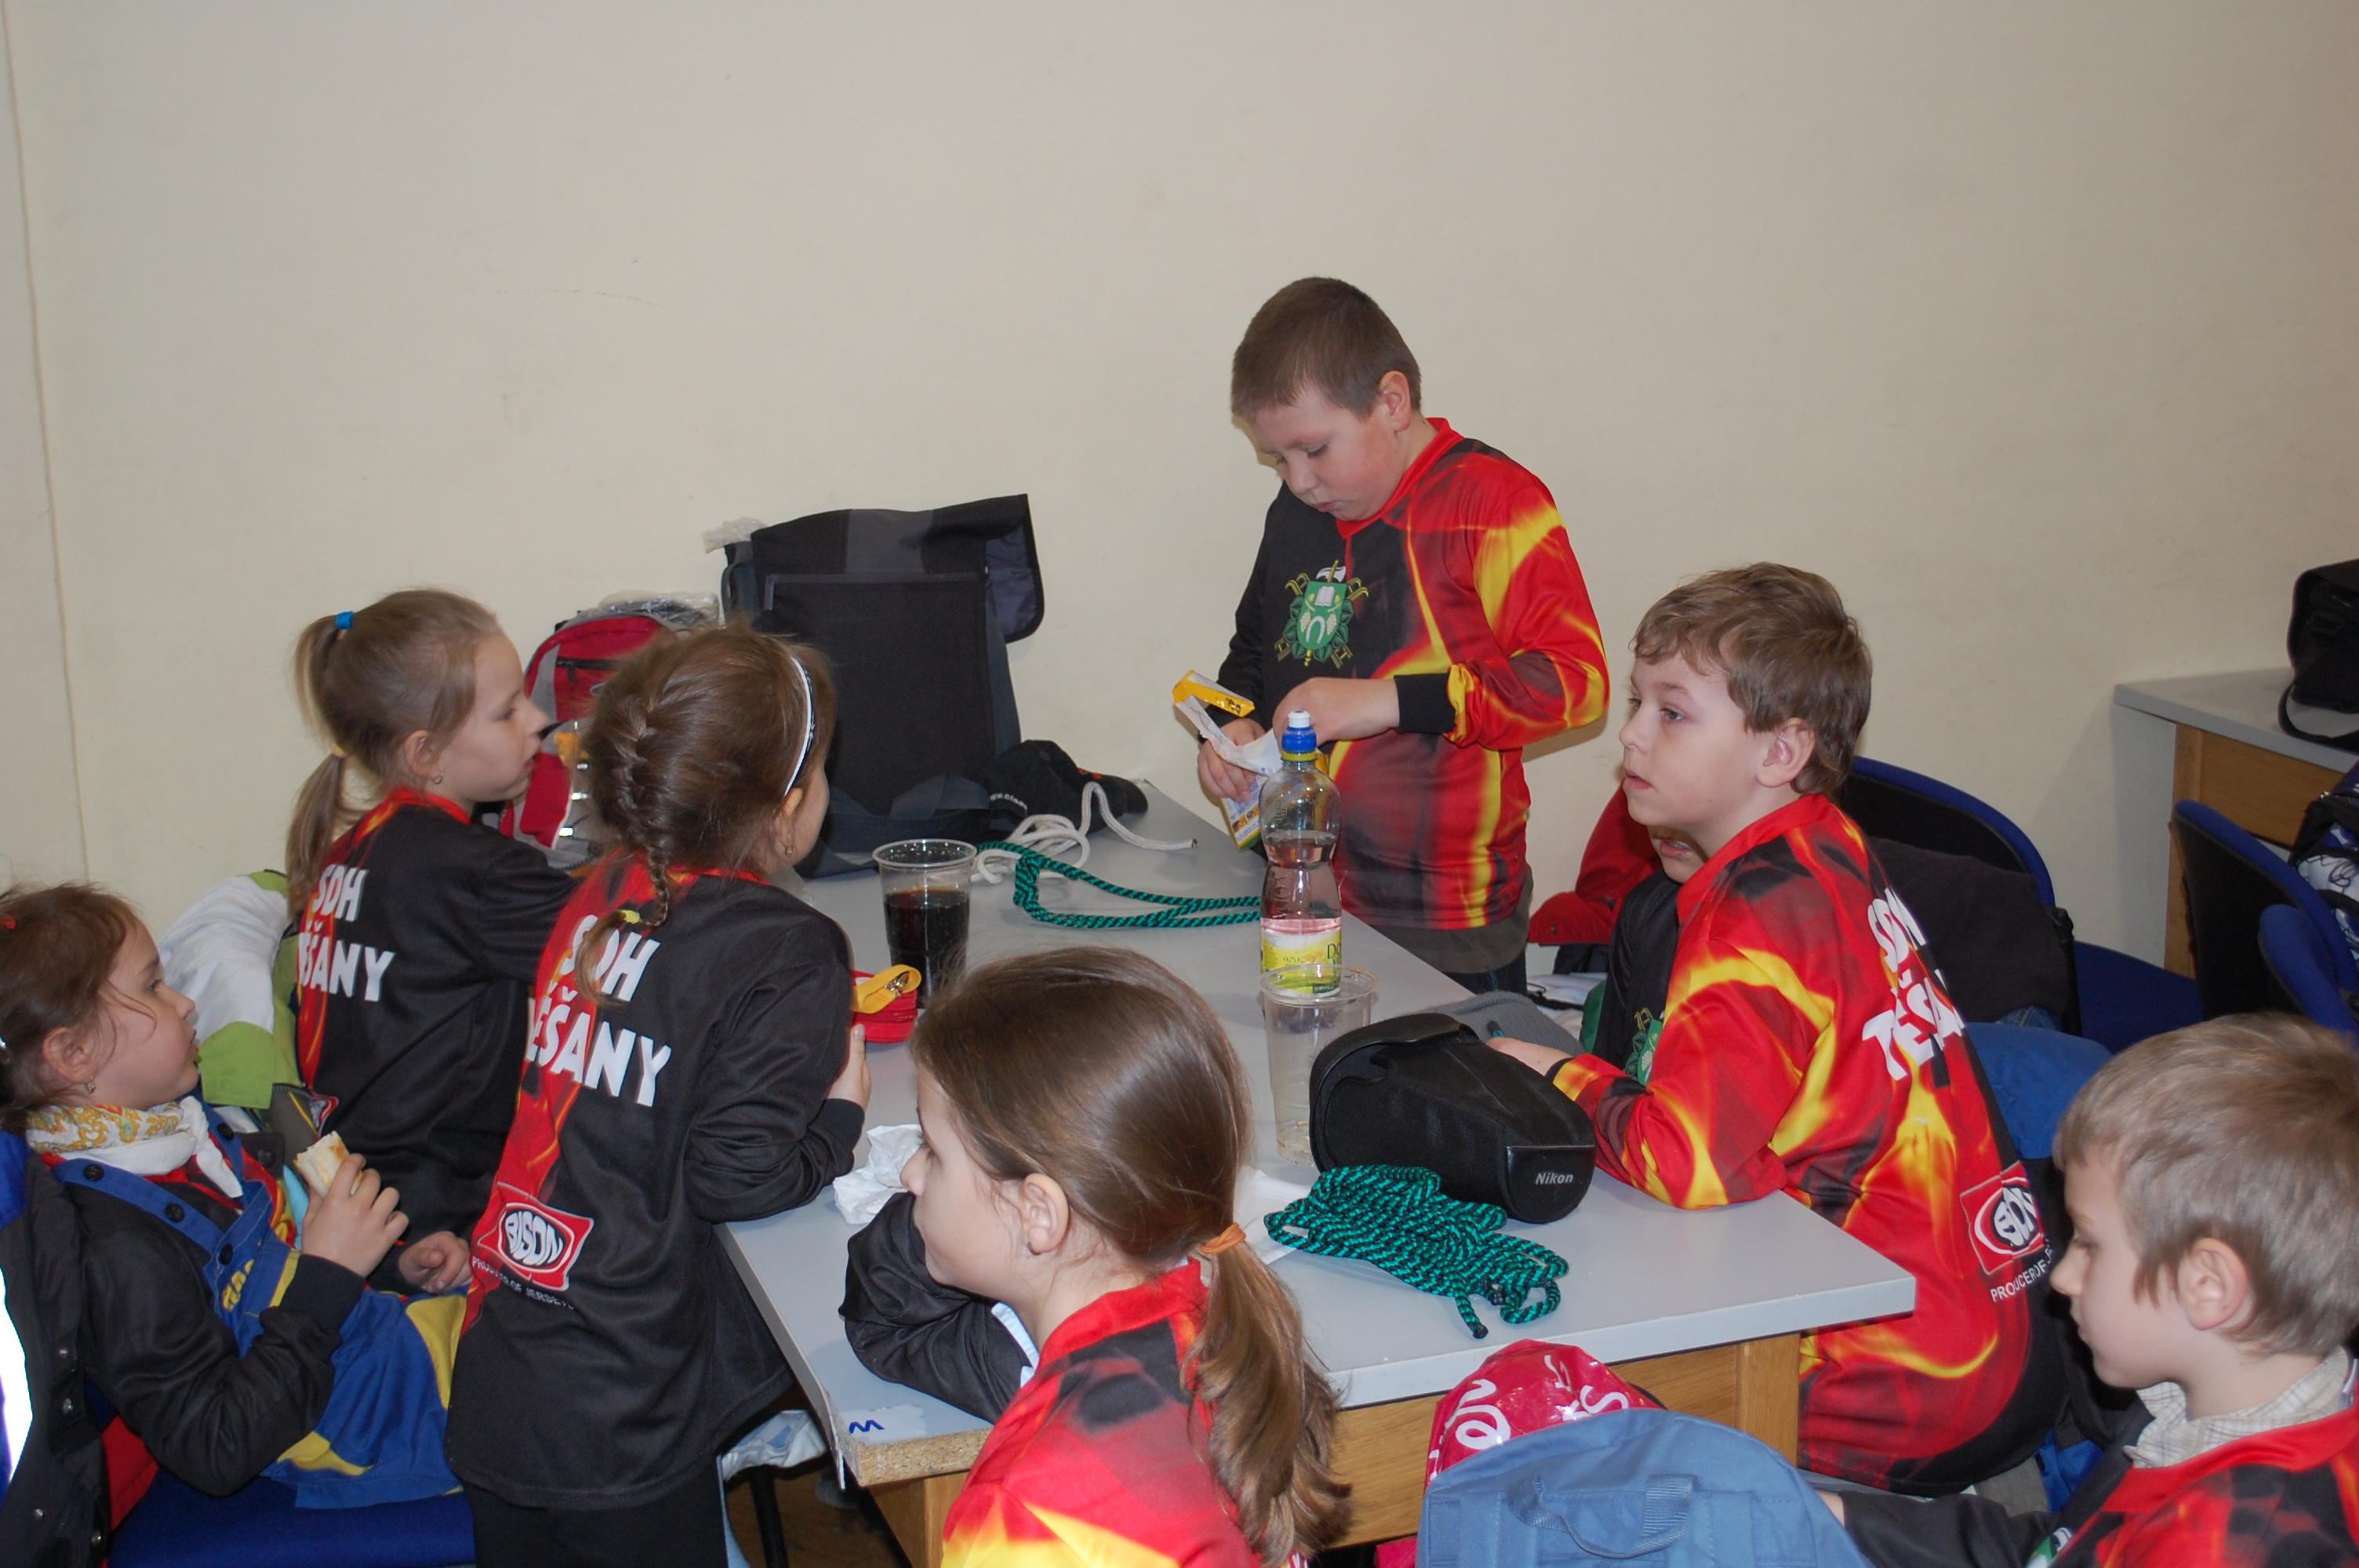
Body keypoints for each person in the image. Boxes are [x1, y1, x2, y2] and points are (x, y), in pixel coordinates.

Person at [1489, 564, 2060, 1493]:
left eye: (1672, 711)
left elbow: (1689, 1162)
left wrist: (1554, 1073)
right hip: (1991, 1322)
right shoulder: (1821, 840)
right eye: (1637, 702)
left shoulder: (1757, 916)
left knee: (1549, 1421)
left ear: (1780, 749)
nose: (1629, 732)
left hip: (1905, 1377)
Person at [446, 625, 871, 1568]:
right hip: (624, 1405)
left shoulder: (595, 890)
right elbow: (735, 1175)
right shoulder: (788, 946)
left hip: (505, 1363)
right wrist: (840, 1115)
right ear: (788, 805)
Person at [1197, 278, 1608, 995]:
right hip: (1300, 882)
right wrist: (1234, 730)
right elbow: (1255, 654)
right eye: (1278, 460)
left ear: (1392, 402)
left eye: (1314, 449)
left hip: (1445, 916)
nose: (1299, 480)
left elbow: (1574, 683)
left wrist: (1385, 701)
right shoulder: (1297, 511)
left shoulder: (1492, 501)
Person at [0, 882, 467, 1510]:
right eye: (152, 987)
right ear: (74, 1054)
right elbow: (214, 1449)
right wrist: (330, 1276)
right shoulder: (113, 1244)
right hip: (369, 1427)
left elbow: (279, 1274)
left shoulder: (182, 1130)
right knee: (570, 1382)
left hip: (382, 1351)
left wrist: (392, 1267)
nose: (185, 1003)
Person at [1835, 1015, 2359, 1566]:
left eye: (2087, 1243)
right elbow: (2063, 1548)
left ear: (2208, 1285)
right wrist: (1837, 1515)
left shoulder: (2219, 1548)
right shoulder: (2199, 1408)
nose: (2062, 1277)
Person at [905, 947, 1347, 1567]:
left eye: (931, 1149)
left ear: (1038, 1213)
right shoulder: (1214, 1330)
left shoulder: (1023, 1515)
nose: (910, 1175)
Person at [285, 589, 579, 1275]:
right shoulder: (472, 873)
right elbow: (639, 954)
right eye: (507, 711)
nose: (539, 719)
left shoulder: (355, 849)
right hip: (444, 1220)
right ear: (425, 753)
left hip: (361, 1199)